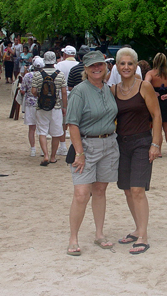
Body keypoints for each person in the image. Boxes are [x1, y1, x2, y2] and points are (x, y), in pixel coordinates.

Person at [65, 51, 119, 256]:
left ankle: (99, 233)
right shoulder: (79, 91)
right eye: (92, 66)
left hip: (109, 144)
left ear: (105, 67)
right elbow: (72, 124)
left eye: (100, 65)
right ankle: (73, 238)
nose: (97, 68)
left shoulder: (108, 89)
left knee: (100, 190)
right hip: (86, 146)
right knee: (80, 194)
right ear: (85, 70)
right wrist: (79, 152)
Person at [111, 47, 162, 255]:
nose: (126, 67)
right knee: (126, 189)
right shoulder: (113, 90)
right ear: (116, 66)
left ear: (136, 66)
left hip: (141, 142)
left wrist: (156, 143)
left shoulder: (145, 87)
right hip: (120, 144)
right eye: (122, 64)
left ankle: (143, 235)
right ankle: (137, 228)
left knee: (138, 190)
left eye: (130, 63)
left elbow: (156, 115)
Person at [31, 51, 68, 166]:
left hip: (41, 107)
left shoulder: (37, 74)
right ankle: (53, 157)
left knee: (42, 131)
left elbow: (33, 91)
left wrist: (41, 96)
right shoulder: (60, 74)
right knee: (56, 133)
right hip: (56, 107)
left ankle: (45, 155)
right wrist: (64, 107)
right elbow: (64, 93)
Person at [145, 53, 167, 157]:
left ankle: (158, 151)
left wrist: (153, 92)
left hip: (155, 102)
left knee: (157, 129)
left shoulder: (151, 73)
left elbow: (146, 84)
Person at [55, 45, 80, 156]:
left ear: (65, 54)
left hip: (62, 95)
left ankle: (63, 146)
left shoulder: (60, 65)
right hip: (76, 95)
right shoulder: (78, 65)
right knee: (76, 121)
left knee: (63, 122)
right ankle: (74, 144)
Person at [22, 57, 45, 157]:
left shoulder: (27, 76)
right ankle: (42, 150)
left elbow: (23, 90)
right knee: (42, 128)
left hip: (30, 103)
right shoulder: (44, 76)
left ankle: (33, 149)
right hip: (42, 103)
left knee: (31, 128)